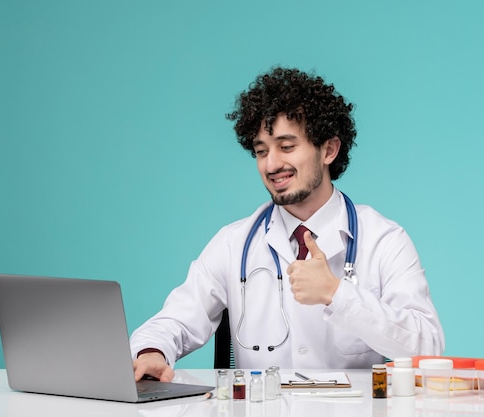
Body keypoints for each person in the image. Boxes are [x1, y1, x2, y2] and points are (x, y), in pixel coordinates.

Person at [131, 67, 444, 382]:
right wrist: (151, 352)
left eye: (286, 146)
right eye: (261, 151)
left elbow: (428, 347)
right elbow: (176, 320)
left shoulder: (383, 240)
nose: (271, 164)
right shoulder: (234, 243)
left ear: (329, 149)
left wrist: (338, 294)